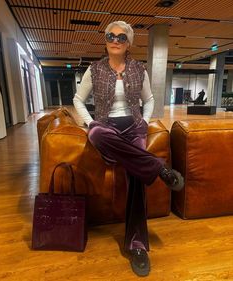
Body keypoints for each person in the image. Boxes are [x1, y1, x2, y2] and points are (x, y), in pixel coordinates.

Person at [73, 21, 184, 277]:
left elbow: (150, 99)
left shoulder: (138, 69)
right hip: (106, 127)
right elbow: (78, 100)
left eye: (121, 37)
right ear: (106, 40)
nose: (115, 40)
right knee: (97, 134)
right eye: (110, 36)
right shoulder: (95, 69)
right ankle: (159, 168)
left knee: (135, 173)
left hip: (133, 127)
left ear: (128, 43)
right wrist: (90, 122)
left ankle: (137, 246)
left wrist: (144, 121)